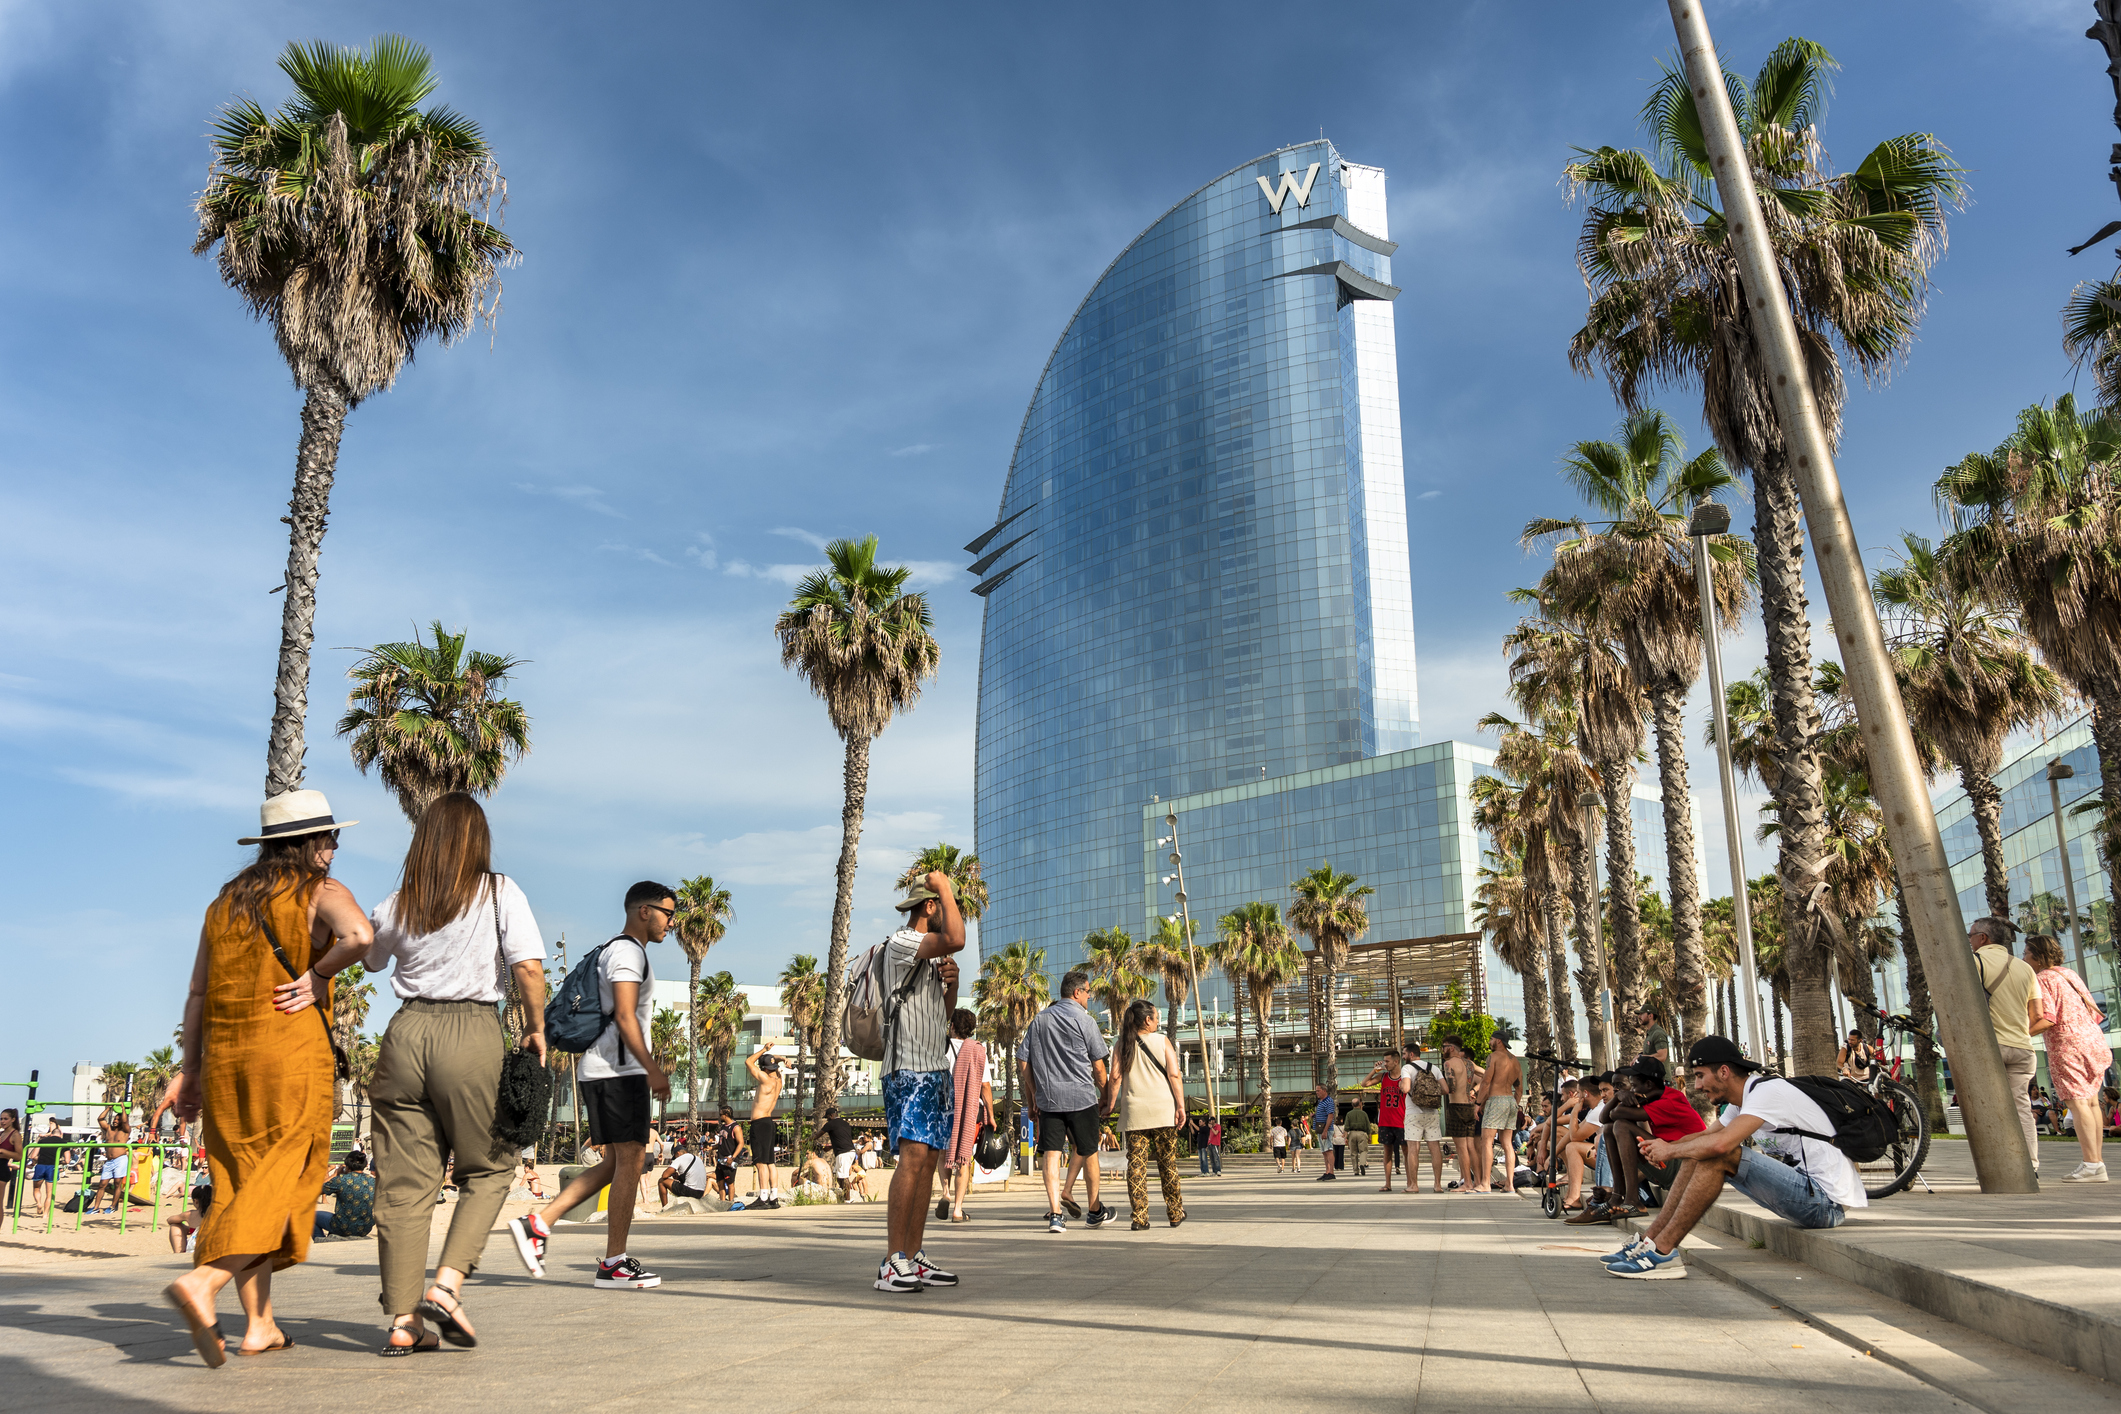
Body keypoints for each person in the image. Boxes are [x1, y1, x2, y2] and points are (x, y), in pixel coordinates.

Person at [161, 789, 374, 1367]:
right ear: (306, 845)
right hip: (290, 1056)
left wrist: (190, 1072)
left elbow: (198, 993)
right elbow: (360, 936)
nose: (333, 847)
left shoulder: (222, 905)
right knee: (285, 1176)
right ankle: (204, 1284)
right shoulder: (319, 890)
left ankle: (260, 1324)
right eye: (327, 837)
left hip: (227, 1060)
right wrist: (318, 973)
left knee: (239, 1182)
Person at [360, 793, 548, 1351]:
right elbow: (530, 969)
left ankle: (402, 1321)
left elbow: (370, 956)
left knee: (402, 1185)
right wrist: (535, 1028)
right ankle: (446, 1286)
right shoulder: (499, 891)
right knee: (490, 1167)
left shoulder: (399, 902)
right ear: (478, 840)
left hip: (405, 1033)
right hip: (470, 1032)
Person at [506, 881, 675, 1295]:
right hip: (620, 1072)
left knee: (615, 1164)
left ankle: (538, 1224)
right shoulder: (628, 953)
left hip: (604, 1071)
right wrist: (652, 1069)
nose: (672, 922)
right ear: (643, 911)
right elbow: (624, 1014)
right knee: (631, 1162)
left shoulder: (613, 948)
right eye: (667, 913)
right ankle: (614, 1263)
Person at [1605, 1036, 1868, 1280]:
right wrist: (1661, 1145)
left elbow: (1721, 1145)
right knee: (1698, 1150)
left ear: (1723, 1072)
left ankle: (1663, 1255)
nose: (1696, 1086)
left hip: (1823, 1202)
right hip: (1806, 1195)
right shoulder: (1742, 1101)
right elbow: (1702, 1137)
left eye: (1699, 1076)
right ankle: (1650, 1241)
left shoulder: (1767, 1092)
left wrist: (1670, 1151)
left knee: (1717, 1153)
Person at [874, 871, 966, 1293]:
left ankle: (912, 1256)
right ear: (929, 906)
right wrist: (946, 885)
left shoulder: (929, 959)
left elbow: (943, 1019)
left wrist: (953, 987)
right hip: (907, 1068)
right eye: (943, 904)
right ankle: (892, 1262)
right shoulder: (903, 944)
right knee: (912, 1159)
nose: (948, 911)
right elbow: (958, 938)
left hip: (933, 1068)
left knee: (929, 1162)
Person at [1019, 967, 1114, 1233]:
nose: (1089, 997)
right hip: (1082, 1098)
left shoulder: (1039, 1020)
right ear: (1077, 992)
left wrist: (1035, 1090)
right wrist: (1104, 1097)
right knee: (1089, 1151)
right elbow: (1098, 1067)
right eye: (1088, 992)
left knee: (1051, 1153)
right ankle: (1094, 1210)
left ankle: (1056, 1215)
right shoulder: (1086, 1021)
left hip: (1049, 1099)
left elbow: (1022, 1060)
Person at [2026, 933, 2110, 1181]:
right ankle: (2097, 1163)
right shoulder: (2069, 974)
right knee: (2092, 1102)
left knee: (2078, 1103)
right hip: (2093, 1041)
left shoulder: (2042, 979)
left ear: (2038, 957)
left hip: (2067, 1045)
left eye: (2026, 954)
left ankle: (2091, 1164)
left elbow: (2047, 1018)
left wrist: (2022, 1034)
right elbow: (2093, 1011)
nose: (2024, 958)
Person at [1103, 998, 1187, 1231]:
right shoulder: (1162, 1041)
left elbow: (1116, 1078)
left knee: (1136, 1166)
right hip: (1163, 1112)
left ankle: (1139, 1218)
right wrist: (1180, 1106)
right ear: (1147, 1019)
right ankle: (1175, 1213)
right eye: (1156, 1017)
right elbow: (1174, 1076)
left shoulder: (1122, 1044)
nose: (1158, 1021)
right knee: (1167, 1164)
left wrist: (1110, 1105)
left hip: (1134, 1114)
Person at [1970, 916, 2044, 1170]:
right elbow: (2037, 1015)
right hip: (2023, 1048)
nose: (1969, 942)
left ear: (1983, 938)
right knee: (2022, 1106)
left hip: (1991, 1048)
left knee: (1988, 1107)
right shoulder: (2025, 968)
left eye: (1970, 937)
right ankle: (2030, 1165)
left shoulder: (1975, 962)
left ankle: (1997, 1168)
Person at [941, 1009, 992, 1224]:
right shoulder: (977, 1050)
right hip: (970, 1112)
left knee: (944, 1153)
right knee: (964, 1157)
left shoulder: (941, 1048)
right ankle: (958, 1210)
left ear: (952, 1026)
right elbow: (985, 1086)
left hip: (944, 1108)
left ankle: (945, 1191)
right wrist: (990, 1112)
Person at [1472, 1034, 1522, 1194]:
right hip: (1510, 1101)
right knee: (1507, 1143)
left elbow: (1486, 1081)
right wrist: (1514, 1102)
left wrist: (1478, 1103)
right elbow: (1519, 1088)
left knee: (1486, 1141)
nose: (1489, 1041)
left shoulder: (1493, 1057)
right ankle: (1510, 1184)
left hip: (1496, 1100)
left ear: (1498, 1040)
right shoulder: (1515, 1060)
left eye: (1491, 1039)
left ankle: (1485, 1183)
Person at [1402, 1041, 1449, 1194]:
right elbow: (1446, 1089)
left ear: (1411, 1054)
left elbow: (1406, 1088)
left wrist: (1402, 1087)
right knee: (1434, 1148)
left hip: (1413, 1113)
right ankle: (1437, 1184)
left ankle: (1414, 1185)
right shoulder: (1433, 1068)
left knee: (1413, 1149)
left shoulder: (1407, 1068)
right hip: (1432, 1113)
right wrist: (1431, 1095)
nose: (1403, 1057)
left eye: (1404, 1054)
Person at [745, 1044, 787, 1208]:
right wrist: (782, 1059)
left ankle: (763, 1198)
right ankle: (773, 1198)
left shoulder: (764, 1079)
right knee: (770, 1162)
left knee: (760, 1162)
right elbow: (773, 1062)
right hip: (769, 1123)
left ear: (763, 1068)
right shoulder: (778, 1081)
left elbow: (749, 1062)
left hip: (760, 1123)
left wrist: (763, 1049)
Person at [1440, 1040, 1483, 1189]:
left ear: (1451, 1048)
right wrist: (1475, 1091)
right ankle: (1478, 1181)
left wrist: (1436, 1089)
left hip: (1456, 1106)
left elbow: (1450, 1088)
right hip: (1469, 1107)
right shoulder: (1469, 1064)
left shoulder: (1449, 1064)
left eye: (1444, 1047)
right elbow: (1487, 1075)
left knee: (1461, 1148)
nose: (1442, 1049)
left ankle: (1468, 1183)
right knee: (1471, 1147)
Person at [314, 1152, 377, 1240]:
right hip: (365, 1228)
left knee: (312, 1217)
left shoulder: (341, 1180)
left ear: (347, 1166)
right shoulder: (372, 1181)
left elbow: (316, 1190)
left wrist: (335, 1175)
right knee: (338, 1218)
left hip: (343, 1226)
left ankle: (320, 1241)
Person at [1366, 1055, 1406, 1191]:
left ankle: (1411, 1182)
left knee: (1407, 1153)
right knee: (1387, 1152)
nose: (1385, 1064)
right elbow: (1365, 1084)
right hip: (1385, 1121)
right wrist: (1375, 1070)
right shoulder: (1383, 1077)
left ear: (1396, 1061)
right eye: (1384, 1061)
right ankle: (1388, 1183)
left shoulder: (1405, 1078)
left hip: (1402, 1120)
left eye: (1387, 1061)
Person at [818, 1106, 858, 1201]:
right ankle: (843, 1195)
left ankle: (847, 1199)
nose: (826, 1119)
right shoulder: (845, 1124)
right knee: (838, 1175)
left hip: (843, 1153)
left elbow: (818, 1135)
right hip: (850, 1151)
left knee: (844, 1176)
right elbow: (842, 1139)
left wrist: (806, 1140)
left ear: (831, 1115)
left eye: (827, 1117)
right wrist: (831, 1147)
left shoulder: (830, 1124)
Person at [659, 1141, 711, 1206]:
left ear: (678, 1153)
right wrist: (678, 1178)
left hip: (690, 1191)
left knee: (661, 1181)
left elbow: (664, 1175)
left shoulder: (680, 1158)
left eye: (675, 1156)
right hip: (700, 1192)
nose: (675, 1158)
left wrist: (672, 1173)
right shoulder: (697, 1158)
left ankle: (664, 1207)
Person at [169, 1182, 213, 1254]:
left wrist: (188, 1228)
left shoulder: (191, 1214)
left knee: (175, 1225)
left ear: (196, 1201)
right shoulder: (219, 1213)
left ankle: (178, 1254)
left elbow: (170, 1220)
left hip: (196, 1250)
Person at [712, 1109, 743, 1201]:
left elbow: (741, 1143)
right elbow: (722, 1143)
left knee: (730, 1182)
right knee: (720, 1182)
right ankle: (722, 1202)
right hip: (721, 1159)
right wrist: (711, 1148)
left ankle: (731, 1202)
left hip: (730, 1159)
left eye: (721, 1114)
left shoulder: (735, 1127)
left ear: (726, 1115)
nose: (720, 1116)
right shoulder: (723, 1127)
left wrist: (732, 1157)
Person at [1309, 1086, 1338, 1181]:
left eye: (1318, 1090)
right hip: (1320, 1129)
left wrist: (1325, 1130)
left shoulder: (1329, 1101)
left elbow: (1330, 1116)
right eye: (1316, 1091)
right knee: (1324, 1151)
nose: (1317, 1092)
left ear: (1324, 1090)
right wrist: (1315, 1116)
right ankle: (1327, 1171)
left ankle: (1331, 1172)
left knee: (1328, 1150)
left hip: (1326, 1129)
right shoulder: (1320, 1102)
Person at [1637, 1007, 1671, 1081]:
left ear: (1650, 1016)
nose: (1639, 1017)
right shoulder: (1650, 1033)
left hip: (1661, 1081)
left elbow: (1662, 1056)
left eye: (1642, 1014)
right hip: (1653, 1079)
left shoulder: (1658, 1033)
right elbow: (1651, 1053)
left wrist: (1641, 1058)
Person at [1188, 1111, 1223, 1177]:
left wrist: (1192, 1123)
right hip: (1202, 1145)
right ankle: (1205, 1171)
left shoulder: (1206, 1128)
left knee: (1210, 1158)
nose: (1199, 1123)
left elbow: (1215, 1133)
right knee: (1203, 1159)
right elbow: (1193, 1132)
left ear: (1204, 1122)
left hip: (1207, 1145)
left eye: (1200, 1121)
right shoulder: (1207, 1129)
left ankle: (1210, 1171)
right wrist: (1191, 1126)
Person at [1344, 1105, 1372, 1177]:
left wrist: (1346, 1137)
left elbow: (1346, 1126)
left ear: (1352, 1105)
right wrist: (1369, 1136)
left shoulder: (1349, 1114)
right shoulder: (1364, 1113)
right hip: (1362, 1133)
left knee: (1353, 1153)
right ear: (1359, 1104)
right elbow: (1368, 1126)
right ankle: (1362, 1163)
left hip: (1352, 1133)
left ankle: (1356, 1170)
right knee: (1363, 1151)